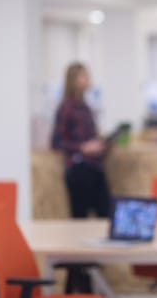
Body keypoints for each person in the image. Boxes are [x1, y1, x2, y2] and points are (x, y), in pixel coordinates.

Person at [51, 62, 110, 293]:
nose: (88, 79)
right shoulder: (65, 108)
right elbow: (56, 141)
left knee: (105, 221)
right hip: (79, 170)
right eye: (84, 76)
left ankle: (91, 276)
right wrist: (83, 148)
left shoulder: (86, 107)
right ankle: (77, 283)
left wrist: (102, 144)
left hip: (95, 169)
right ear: (74, 79)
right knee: (79, 225)